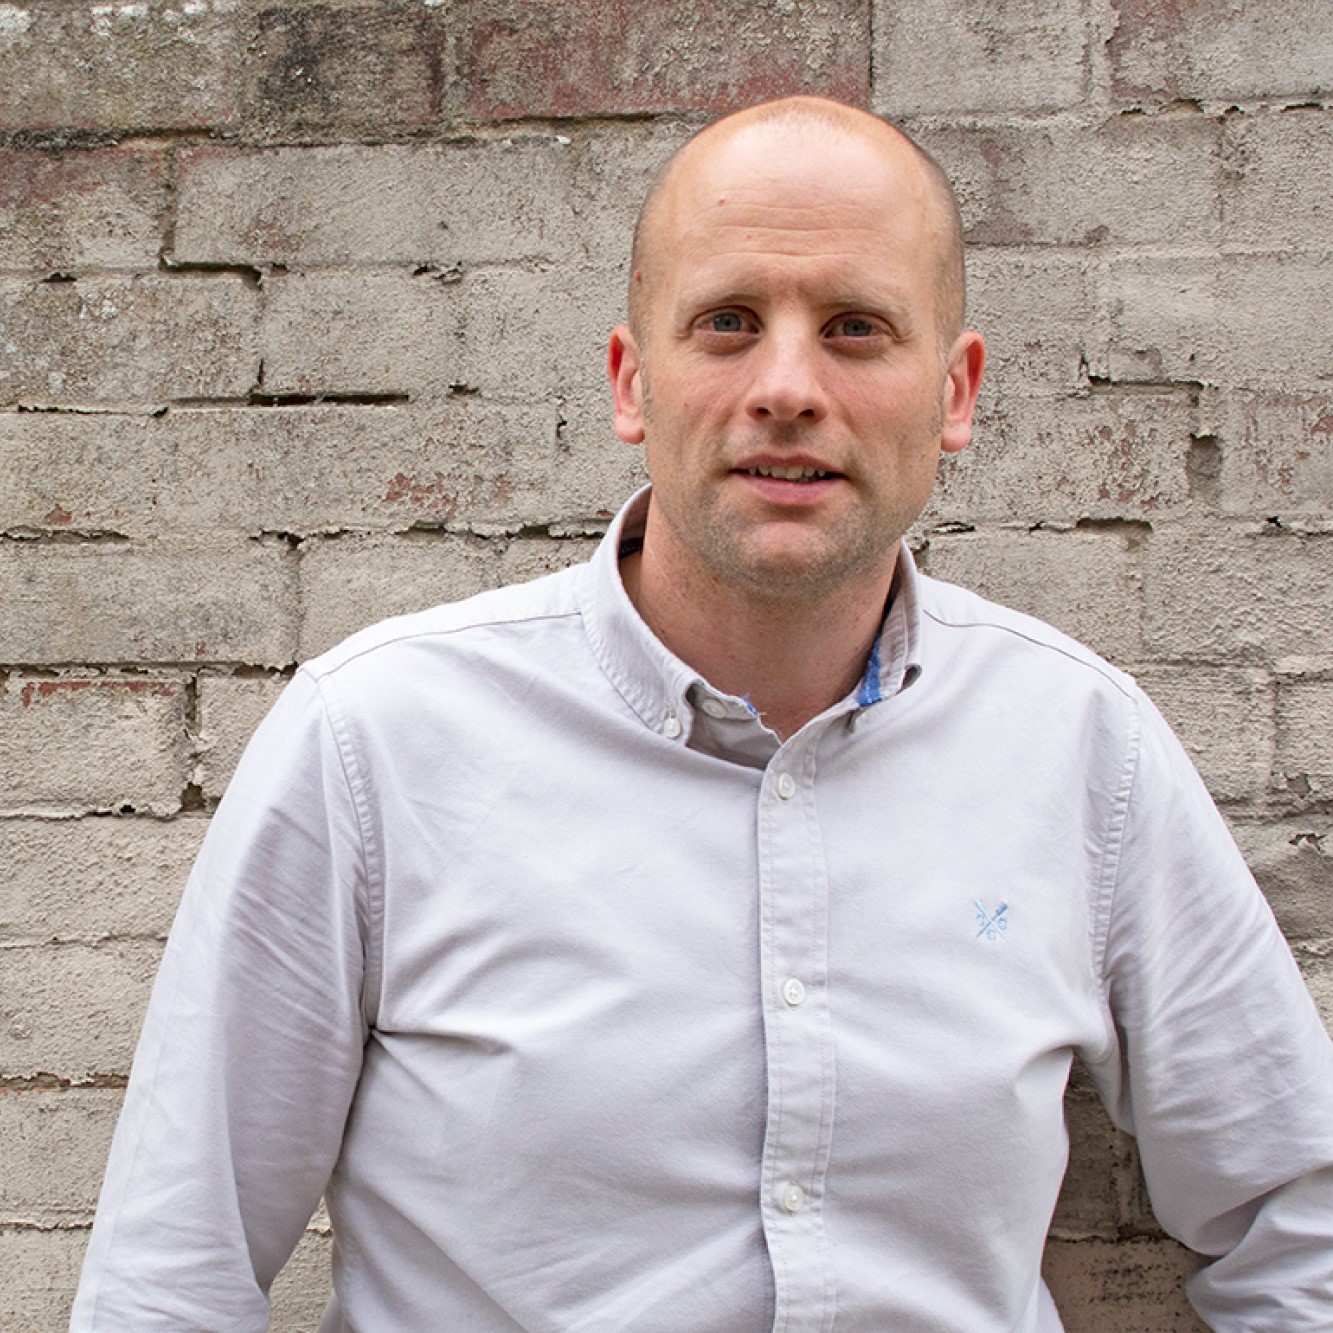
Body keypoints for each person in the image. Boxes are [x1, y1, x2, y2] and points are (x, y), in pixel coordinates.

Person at [72, 97, 1333, 1331]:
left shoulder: (1082, 749)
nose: (786, 386)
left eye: (854, 328)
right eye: (727, 322)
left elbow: (1299, 1222)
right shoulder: (376, 745)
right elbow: (170, 1275)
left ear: (954, 392)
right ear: (634, 382)